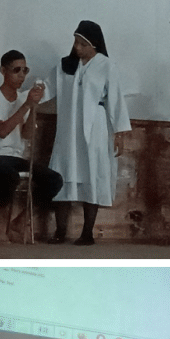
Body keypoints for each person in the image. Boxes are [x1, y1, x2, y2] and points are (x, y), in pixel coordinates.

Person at [42, 20, 132, 245]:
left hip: (96, 129)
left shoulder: (106, 65)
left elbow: (116, 100)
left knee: (93, 174)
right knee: (63, 174)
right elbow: (46, 89)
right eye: (75, 42)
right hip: (68, 130)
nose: (77, 48)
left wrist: (120, 133)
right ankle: (60, 231)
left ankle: (87, 233)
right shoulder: (65, 66)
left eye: (82, 44)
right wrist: (32, 95)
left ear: (94, 45)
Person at [0, 50, 63, 243]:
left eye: (25, 70)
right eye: (16, 70)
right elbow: (2, 131)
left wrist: (33, 107)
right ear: (3, 71)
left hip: (14, 156)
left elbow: (27, 134)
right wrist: (26, 105)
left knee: (54, 179)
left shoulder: (23, 98)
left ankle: (20, 221)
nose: (22, 76)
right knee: (9, 175)